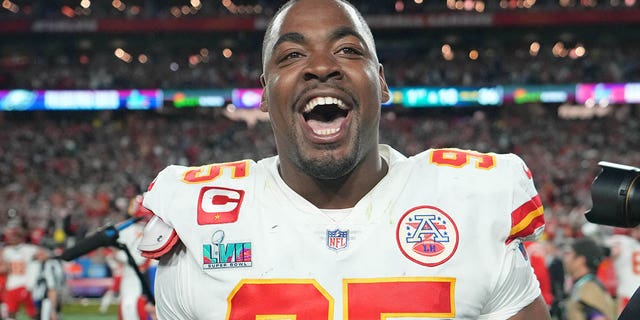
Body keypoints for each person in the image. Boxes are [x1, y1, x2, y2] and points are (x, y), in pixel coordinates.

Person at [138, 0, 551, 318]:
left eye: (348, 50)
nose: (321, 66)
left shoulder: (470, 203)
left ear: (382, 82)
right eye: (292, 55)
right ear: (264, 93)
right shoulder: (201, 222)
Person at [0, 221, 46, 320]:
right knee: (12, 312)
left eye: (15, 236)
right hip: (13, 284)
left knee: (30, 312)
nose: (13, 239)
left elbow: (43, 255)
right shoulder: (8, 251)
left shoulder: (27, 249)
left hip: (24, 284)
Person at [562, 236, 617, 320]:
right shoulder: (584, 284)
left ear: (580, 260)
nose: (565, 259)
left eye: (569, 254)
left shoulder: (589, 288)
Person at [605, 226, 640, 314]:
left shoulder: (623, 241)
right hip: (629, 294)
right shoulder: (625, 242)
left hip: (628, 295)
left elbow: (611, 251)